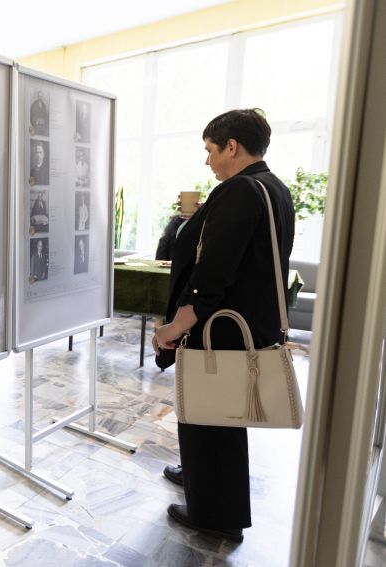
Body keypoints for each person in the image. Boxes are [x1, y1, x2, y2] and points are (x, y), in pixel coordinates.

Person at [152, 108, 294, 542]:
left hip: (222, 330)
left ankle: (217, 515)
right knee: (217, 416)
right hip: (246, 325)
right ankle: (200, 475)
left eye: (211, 150)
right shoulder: (275, 188)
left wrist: (174, 327)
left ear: (232, 146)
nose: (208, 161)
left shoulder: (239, 192)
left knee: (214, 418)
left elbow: (211, 276)